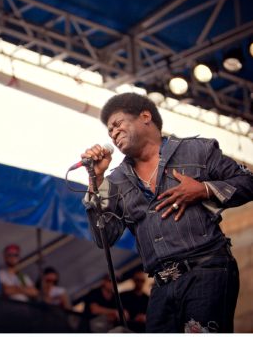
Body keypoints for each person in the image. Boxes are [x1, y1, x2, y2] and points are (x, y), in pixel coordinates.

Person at [81, 92, 253, 332]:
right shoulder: (116, 181)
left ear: (145, 116)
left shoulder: (197, 150)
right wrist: (96, 181)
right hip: (161, 286)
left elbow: (248, 182)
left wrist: (203, 189)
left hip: (207, 270)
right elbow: (103, 238)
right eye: (109, 131)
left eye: (118, 124)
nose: (113, 133)